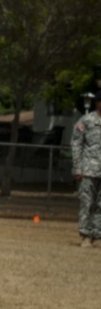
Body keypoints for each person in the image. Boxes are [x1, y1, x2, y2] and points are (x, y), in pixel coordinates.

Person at [71, 90, 101, 248]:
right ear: (97, 103)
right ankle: (85, 236)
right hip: (88, 170)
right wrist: (77, 167)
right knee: (86, 204)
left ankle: (98, 235)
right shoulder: (87, 121)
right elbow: (76, 144)